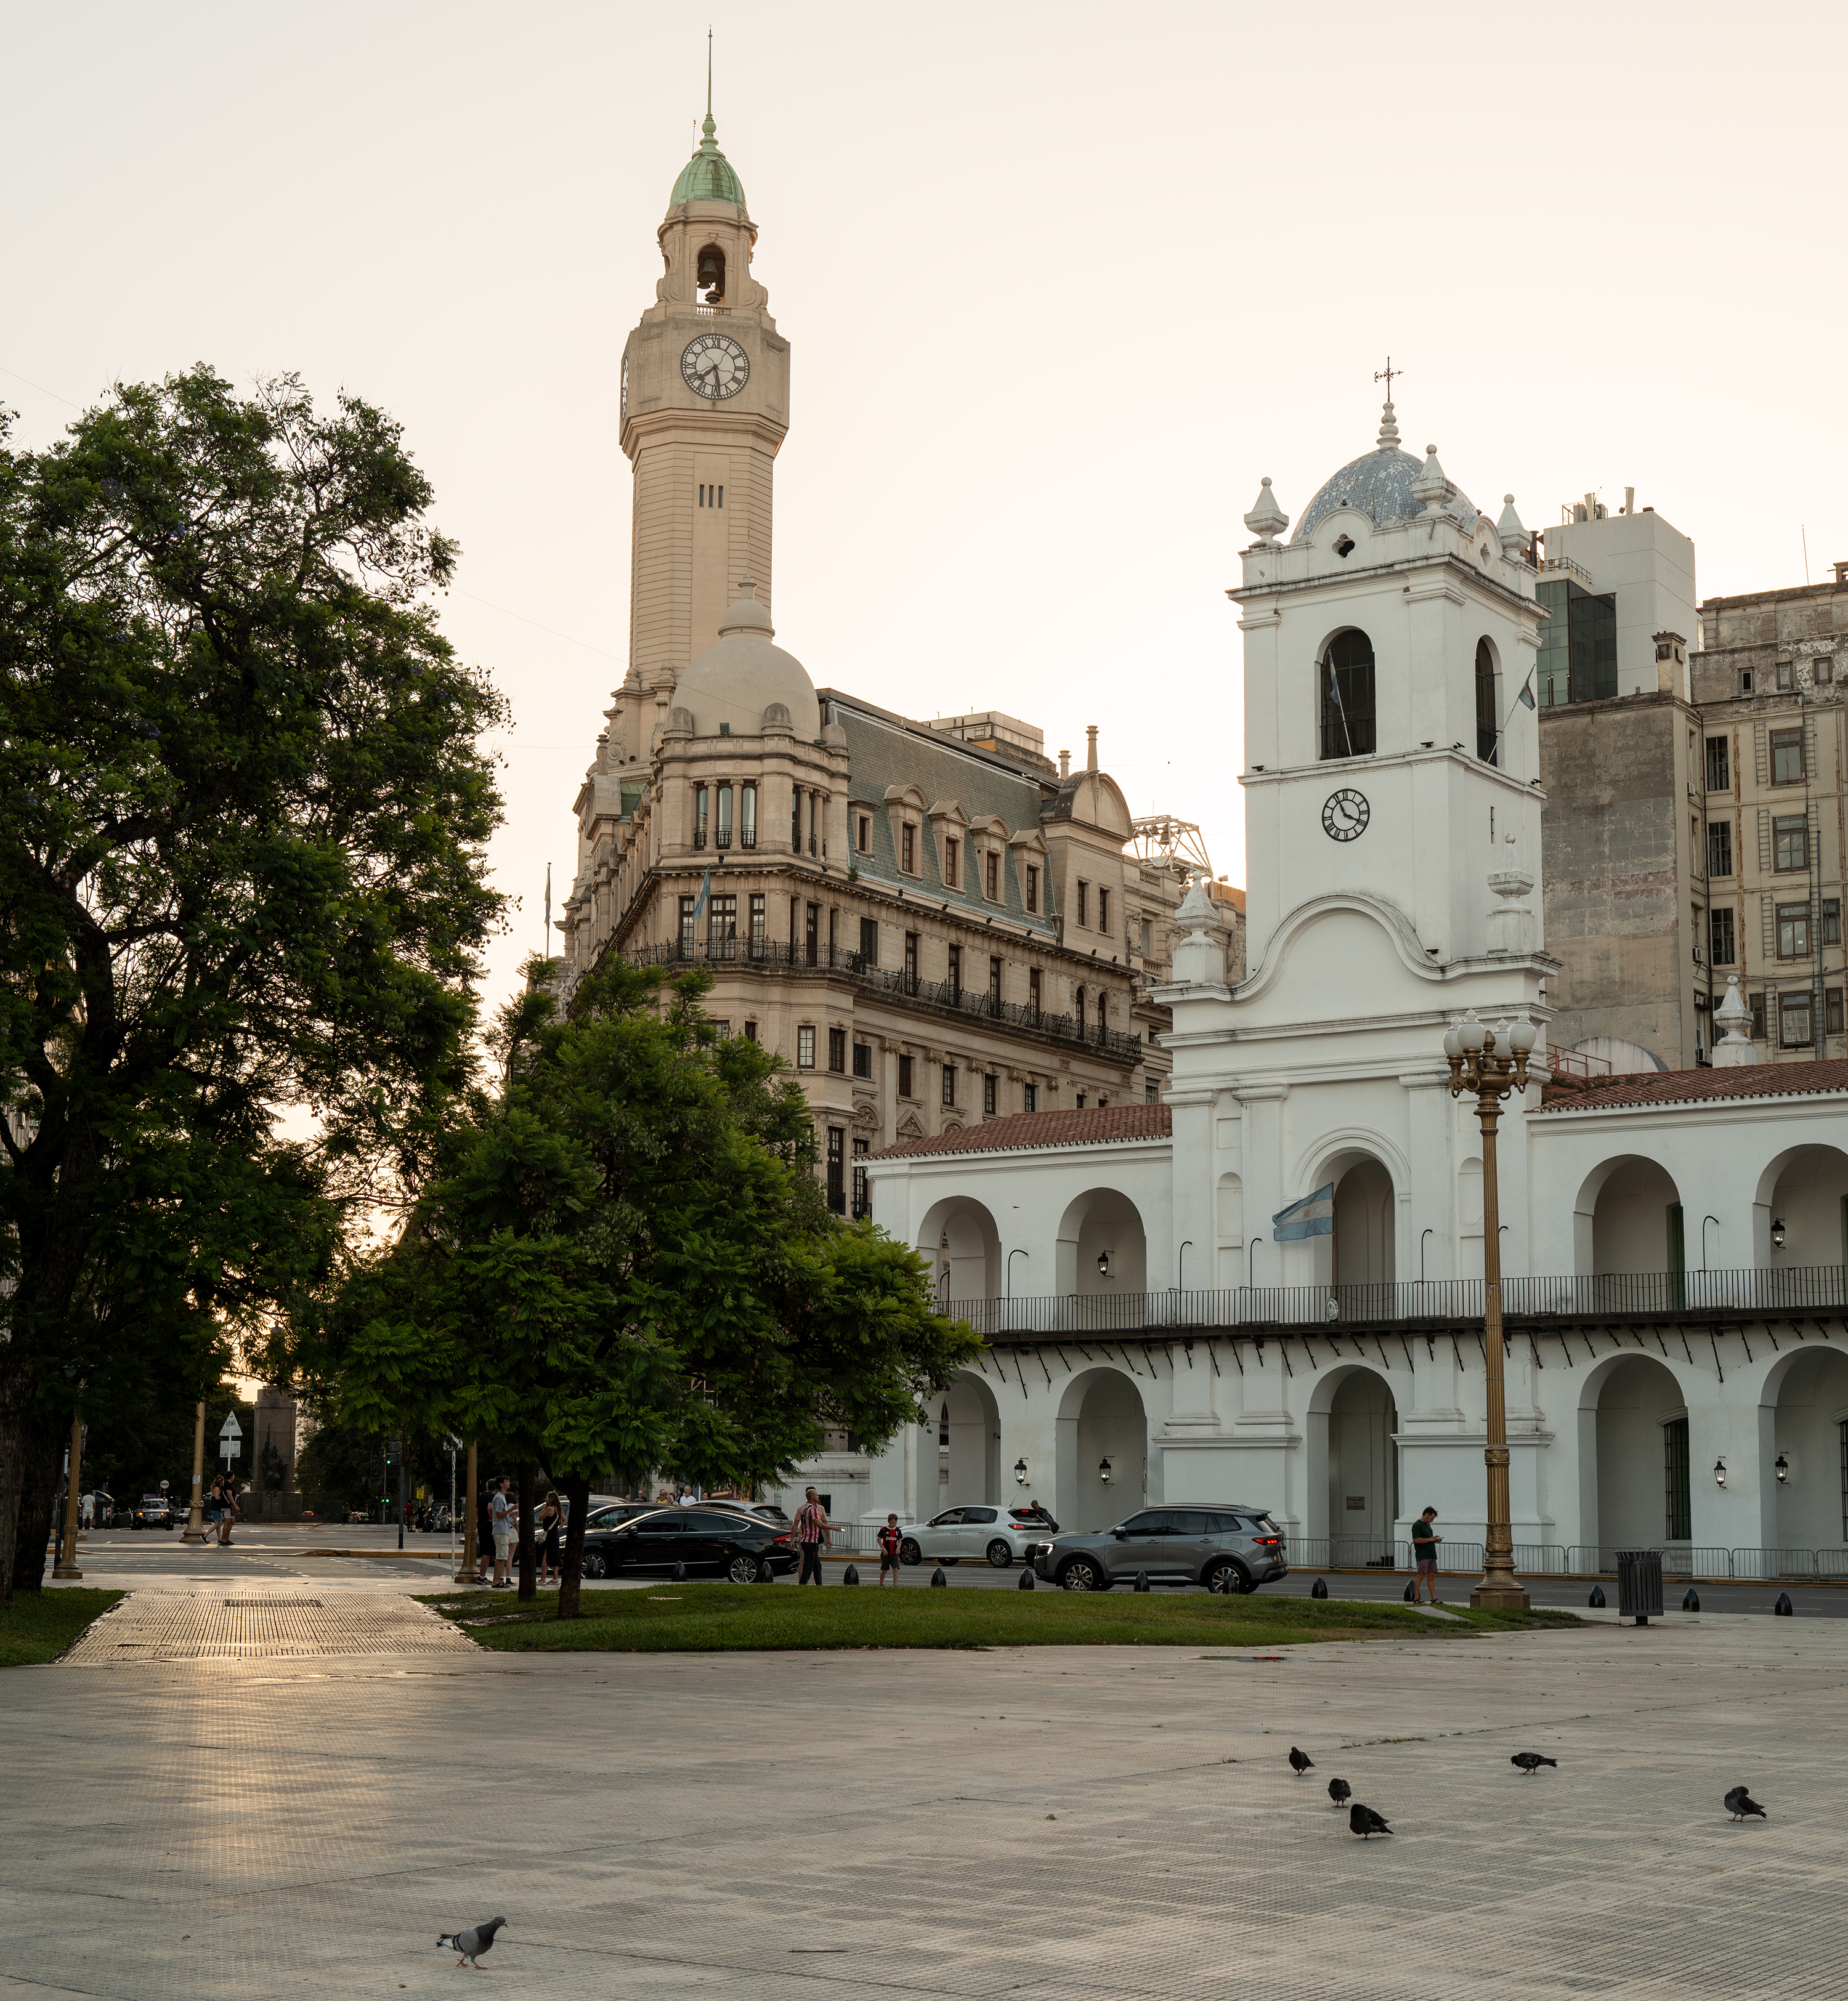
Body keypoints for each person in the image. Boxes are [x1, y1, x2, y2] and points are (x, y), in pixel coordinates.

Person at [792, 1486, 832, 1585]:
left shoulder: (807, 1509)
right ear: (812, 1497)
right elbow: (819, 1524)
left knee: (816, 1565)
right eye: (817, 1495)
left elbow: (823, 1523)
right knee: (806, 1564)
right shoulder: (810, 1510)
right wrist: (834, 1528)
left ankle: (818, 1584)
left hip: (813, 1540)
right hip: (809, 1539)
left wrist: (829, 1538)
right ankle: (803, 1583)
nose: (819, 1497)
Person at [1411, 1506, 1442, 1603]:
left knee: (1432, 1576)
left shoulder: (1428, 1526)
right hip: (1423, 1554)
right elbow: (1416, 1540)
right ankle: (1416, 1598)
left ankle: (1434, 1598)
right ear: (1426, 1515)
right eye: (1431, 1518)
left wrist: (1435, 1540)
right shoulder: (1417, 1525)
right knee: (1421, 1575)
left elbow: (1429, 1539)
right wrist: (1430, 1539)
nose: (1432, 1521)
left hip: (1431, 1554)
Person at [488, 1476, 514, 1588]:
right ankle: (496, 1581)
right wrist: (511, 1510)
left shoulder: (502, 1497)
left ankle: (499, 1580)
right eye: (506, 1482)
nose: (509, 1483)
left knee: (504, 1556)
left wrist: (511, 1514)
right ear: (501, 1485)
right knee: (501, 1556)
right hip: (500, 1530)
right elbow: (499, 1515)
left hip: (504, 1530)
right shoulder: (499, 1498)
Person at [537, 1489, 563, 1586]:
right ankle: (555, 1578)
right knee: (555, 1555)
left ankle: (543, 1578)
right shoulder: (557, 1509)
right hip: (555, 1534)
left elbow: (540, 1518)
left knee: (545, 1556)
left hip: (549, 1535)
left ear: (551, 1499)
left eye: (547, 1498)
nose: (545, 1499)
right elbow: (564, 1520)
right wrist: (559, 1528)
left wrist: (544, 1508)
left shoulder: (550, 1509)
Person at [875, 1513, 904, 1587]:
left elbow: (900, 1540)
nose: (894, 1524)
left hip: (894, 1553)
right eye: (892, 1523)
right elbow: (879, 1539)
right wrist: (883, 1548)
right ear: (888, 1521)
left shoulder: (898, 1530)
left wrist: (898, 1548)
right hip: (886, 1553)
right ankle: (881, 1584)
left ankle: (895, 1586)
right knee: (884, 1570)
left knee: (895, 1569)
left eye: (895, 1523)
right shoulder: (884, 1529)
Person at [217, 1475, 238, 1546]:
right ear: (231, 1477)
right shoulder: (228, 1484)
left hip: (227, 1505)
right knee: (228, 1522)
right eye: (233, 1476)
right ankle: (223, 1539)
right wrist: (235, 1505)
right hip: (228, 1506)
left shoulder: (225, 1484)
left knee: (232, 1521)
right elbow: (229, 1495)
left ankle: (227, 1539)